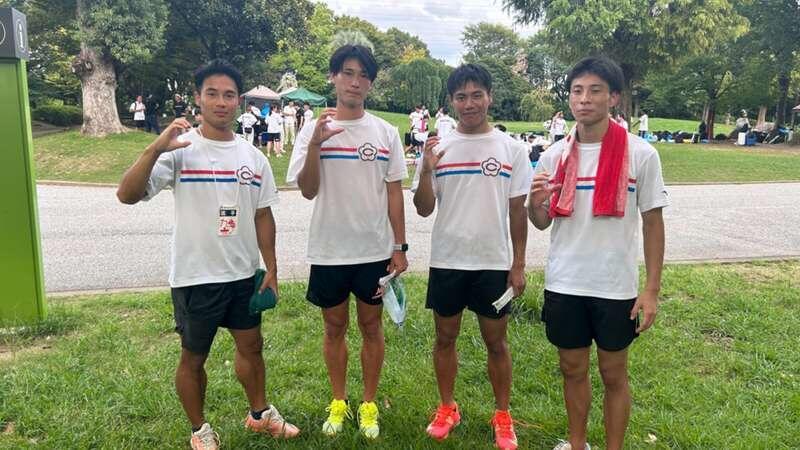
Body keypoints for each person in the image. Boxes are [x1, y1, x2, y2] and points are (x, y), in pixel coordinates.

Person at [115, 59, 300, 450]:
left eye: (229, 95)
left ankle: (259, 414)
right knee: (194, 358)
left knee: (252, 347)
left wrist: (271, 267)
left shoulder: (253, 157)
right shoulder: (179, 150)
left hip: (242, 275)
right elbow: (127, 195)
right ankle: (200, 430)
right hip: (196, 277)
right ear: (198, 98)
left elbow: (263, 215)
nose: (221, 102)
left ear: (238, 101)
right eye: (212, 93)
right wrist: (154, 148)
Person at [527, 56, 668, 450]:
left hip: (614, 285)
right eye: (577, 91)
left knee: (613, 373)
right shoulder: (554, 156)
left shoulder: (640, 154)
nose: (584, 99)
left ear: (614, 98)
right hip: (565, 282)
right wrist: (535, 203)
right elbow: (541, 222)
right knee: (572, 369)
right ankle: (577, 444)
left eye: (595, 91)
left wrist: (651, 290)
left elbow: (653, 223)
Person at [286, 44, 408, 440]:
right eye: (348, 73)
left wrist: (400, 247)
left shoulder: (385, 132)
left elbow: (394, 193)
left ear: (370, 83)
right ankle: (339, 401)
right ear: (334, 77)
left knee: (371, 326)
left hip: (373, 250)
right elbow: (307, 190)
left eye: (363, 75)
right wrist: (316, 144)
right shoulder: (313, 128)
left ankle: (368, 404)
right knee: (334, 326)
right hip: (330, 249)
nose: (355, 82)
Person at [412, 63, 532, 450]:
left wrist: (518, 264)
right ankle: (447, 407)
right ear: (452, 101)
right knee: (444, 338)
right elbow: (423, 208)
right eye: (461, 97)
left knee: (497, 342)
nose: (469, 103)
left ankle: (502, 415)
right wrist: (427, 171)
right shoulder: (438, 148)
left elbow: (517, 212)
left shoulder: (511, 149)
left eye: (477, 95)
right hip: (448, 260)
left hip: (493, 263)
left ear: (489, 97)